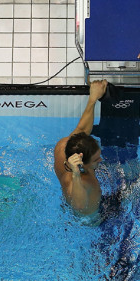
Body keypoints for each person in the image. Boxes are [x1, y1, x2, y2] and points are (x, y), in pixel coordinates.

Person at [53, 79, 109, 217]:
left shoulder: (64, 146)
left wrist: (93, 98)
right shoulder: (81, 182)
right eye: (96, 159)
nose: (101, 160)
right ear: (82, 162)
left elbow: (82, 129)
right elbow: (78, 205)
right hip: (90, 220)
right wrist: (76, 174)